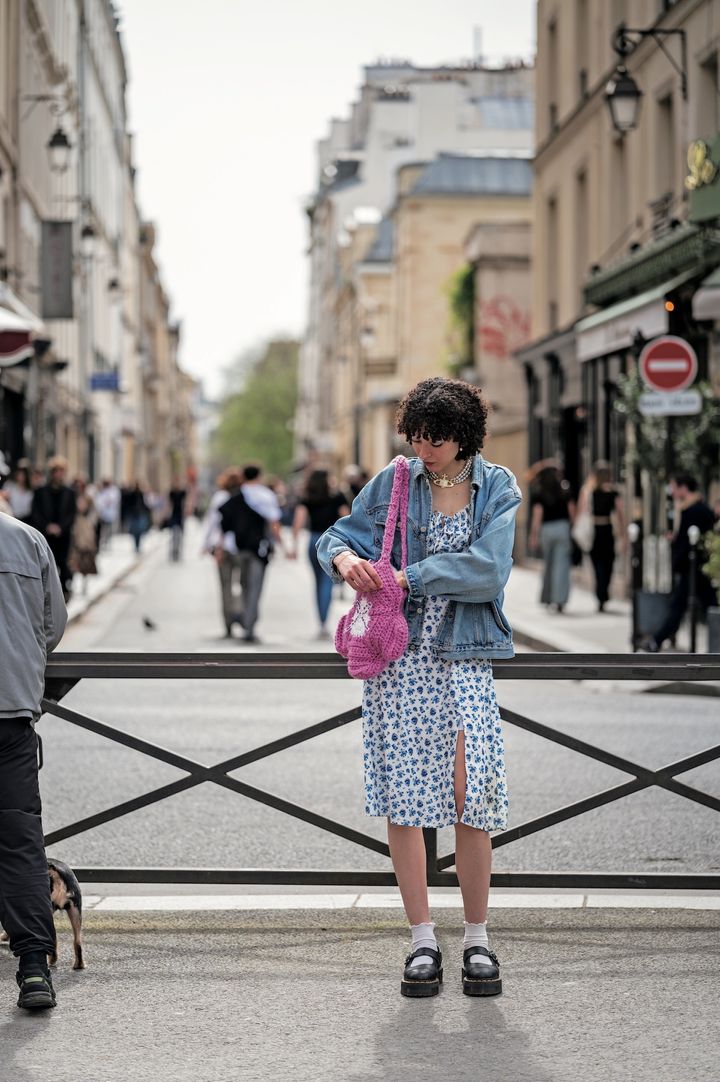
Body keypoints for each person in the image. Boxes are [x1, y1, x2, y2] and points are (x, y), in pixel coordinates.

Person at [317, 376, 521, 999]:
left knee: (469, 792)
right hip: (399, 659)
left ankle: (479, 940)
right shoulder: (398, 479)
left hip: (462, 657)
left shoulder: (497, 487)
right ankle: (423, 942)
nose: (424, 449)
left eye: (436, 439)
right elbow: (338, 535)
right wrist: (343, 561)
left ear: (464, 437)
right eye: (417, 436)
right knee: (407, 798)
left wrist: (408, 578)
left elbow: (488, 572)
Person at [0, 511, 67, 1010]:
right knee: (20, 839)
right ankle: (33, 969)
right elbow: (52, 626)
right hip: (10, 712)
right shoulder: (27, 540)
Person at [643, 473, 717, 652]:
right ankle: (657, 641)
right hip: (694, 567)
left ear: (684, 487)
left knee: (682, 606)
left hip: (692, 568)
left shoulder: (694, 510)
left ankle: (656, 641)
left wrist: (678, 559)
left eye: (674, 486)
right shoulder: (694, 509)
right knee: (708, 605)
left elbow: (690, 542)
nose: (672, 491)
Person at [218, 464, 283, 643]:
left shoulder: (236, 495)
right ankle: (249, 625)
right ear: (259, 476)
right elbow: (274, 522)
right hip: (259, 548)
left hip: (239, 547)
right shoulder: (266, 495)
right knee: (255, 586)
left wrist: (220, 545)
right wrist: (281, 544)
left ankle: (244, 617)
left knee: (243, 584)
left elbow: (224, 521)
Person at [290, 470, 349, 638]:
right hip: (332, 541)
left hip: (313, 542)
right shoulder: (337, 497)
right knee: (327, 583)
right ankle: (324, 622)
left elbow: (298, 522)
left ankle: (321, 622)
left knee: (317, 583)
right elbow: (347, 519)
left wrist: (293, 546)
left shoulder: (308, 498)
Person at [200, 467, 244, 638]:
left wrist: (206, 545)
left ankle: (228, 622)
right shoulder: (244, 497)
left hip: (222, 547)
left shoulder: (219, 497)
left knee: (225, 586)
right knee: (243, 584)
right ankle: (239, 610)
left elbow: (213, 523)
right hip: (241, 547)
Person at [577, 460, 625, 612]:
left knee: (598, 564)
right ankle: (603, 594)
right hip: (607, 530)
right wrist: (623, 533)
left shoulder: (589, 491)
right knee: (608, 563)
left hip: (595, 531)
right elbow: (620, 514)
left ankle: (601, 594)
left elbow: (582, 510)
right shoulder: (612, 492)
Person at [528, 464, 574, 613]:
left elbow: (537, 515)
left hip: (546, 529)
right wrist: (571, 527)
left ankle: (547, 598)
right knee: (562, 566)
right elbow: (572, 511)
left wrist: (533, 535)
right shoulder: (564, 489)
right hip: (562, 527)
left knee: (548, 564)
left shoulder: (539, 491)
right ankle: (560, 600)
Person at [30, 456, 77, 601]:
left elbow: (72, 514)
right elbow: (36, 513)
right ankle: (47, 592)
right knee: (48, 564)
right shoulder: (40, 491)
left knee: (63, 562)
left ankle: (64, 591)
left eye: (61, 471)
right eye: (56, 471)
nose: (59, 474)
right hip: (46, 534)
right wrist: (47, 526)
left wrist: (60, 528)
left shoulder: (70, 492)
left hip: (63, 535)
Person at [68, 492, 99, 592]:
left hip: (87, 544)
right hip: (76, 543)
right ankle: (71, 584)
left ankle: (83, 585)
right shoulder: (74, 516)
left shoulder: (90, 517)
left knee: (85, 566)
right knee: (73, 564)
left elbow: (94, 532)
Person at [93, 478, 121, 551]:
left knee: (109, 530)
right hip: (102, 514)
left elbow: (115, 501)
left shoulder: (113, 491)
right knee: (103, 530)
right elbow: (98, 502)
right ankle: (103, 542)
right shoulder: (101, 491)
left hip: (110, 514)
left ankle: (107, 542)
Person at [124, 482, 151, 553]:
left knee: (139, 531)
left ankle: (138, 545)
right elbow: (128, 505)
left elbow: (144, 504)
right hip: (134, 515)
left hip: (139, 514)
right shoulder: (131, 495)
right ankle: (136, 545)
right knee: (135, 531)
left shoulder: (141, 494)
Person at [165, 478, 187, 562]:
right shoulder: (171, 493)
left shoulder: (182, 492)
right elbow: (169, 504)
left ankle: (178, 551)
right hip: (173, 515)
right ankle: (173, 550)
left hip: (180, 516)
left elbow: (186, 502)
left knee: (180, 535)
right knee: (173, 534)